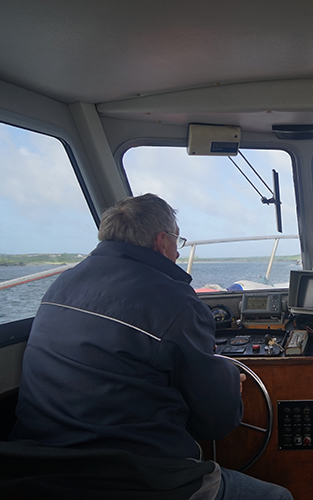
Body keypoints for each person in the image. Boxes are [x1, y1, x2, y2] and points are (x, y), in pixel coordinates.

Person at [9, 193, 292, 500]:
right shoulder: (175, 302)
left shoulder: (61, 285)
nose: (178, 254)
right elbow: (217, 422)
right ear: (162, 242)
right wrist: (227, 379)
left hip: (37, 466)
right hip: (134, 477)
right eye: (177, 242)